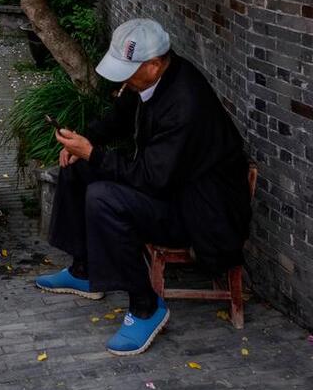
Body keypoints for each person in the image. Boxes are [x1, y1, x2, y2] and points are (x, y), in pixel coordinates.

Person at [35, 19, 251, 356]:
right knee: (77, 169)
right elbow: (118, 118)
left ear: (153, 65)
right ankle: (84, 270)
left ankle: (146, 306)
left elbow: (152, 177)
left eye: (128, 70)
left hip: (200, 212)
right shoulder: (149, 82)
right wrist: (85, 140)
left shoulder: (185, 103)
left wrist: (93, 153)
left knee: (103, 198)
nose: (122, 79)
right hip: (169, 188)